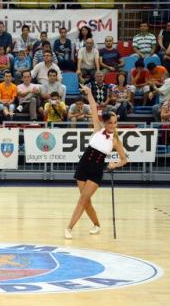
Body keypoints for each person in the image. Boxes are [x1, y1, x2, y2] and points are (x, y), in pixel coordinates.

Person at [65, 85, 128, 239]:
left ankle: (69, 228)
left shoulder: (115, 141)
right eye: (110, 123)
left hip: (96, 170)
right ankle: (97, 225)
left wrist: (115, 164)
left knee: (83, 199)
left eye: (115, 123)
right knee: (86, 201)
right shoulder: (97, 129)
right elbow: (93, 107)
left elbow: (124, 159)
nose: (113, 126)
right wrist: (89, 92)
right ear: (105, 123)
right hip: (83, 165)